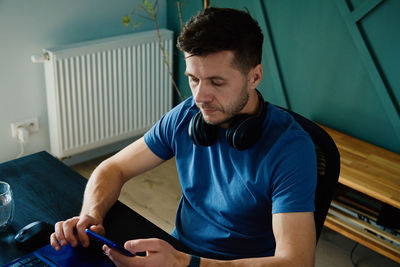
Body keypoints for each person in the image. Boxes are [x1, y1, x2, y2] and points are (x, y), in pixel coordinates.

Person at [51, 7, 317, 266]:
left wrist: (186, 263)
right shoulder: (186, 116)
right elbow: (114, 167)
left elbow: (297, 261)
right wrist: (90, 215)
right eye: (193, 79)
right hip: (177, 254)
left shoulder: (290, 148)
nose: (199, 97)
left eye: (216, 82)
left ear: (254, 76)